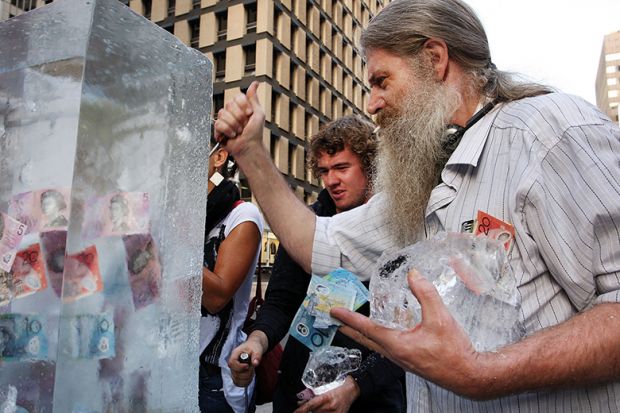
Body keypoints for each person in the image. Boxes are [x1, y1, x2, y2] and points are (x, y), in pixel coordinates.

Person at [213, 0, 620, 411]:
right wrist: (251, 153)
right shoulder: (424, 182)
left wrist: (482, 373)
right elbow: (318, 242)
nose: (371, 103)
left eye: (382, 81)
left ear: (434, 59)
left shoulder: (549, 132)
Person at [228, 116, 405, 413]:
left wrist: (355, 386)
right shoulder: (305, 225)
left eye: (341, 168)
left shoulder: (396, 228)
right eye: (324, 171)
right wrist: (256, 343)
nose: (331, 180)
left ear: (370, 167)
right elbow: (282, 300)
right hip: (299, 395)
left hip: (371, 401)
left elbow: (407, 336)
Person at [199, 137, 263, 413]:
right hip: (172, 361)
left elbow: (217, 298)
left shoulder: (242, 215)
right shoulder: (188, 212)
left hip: (214, 375)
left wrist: (170, 242)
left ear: (219, 156)